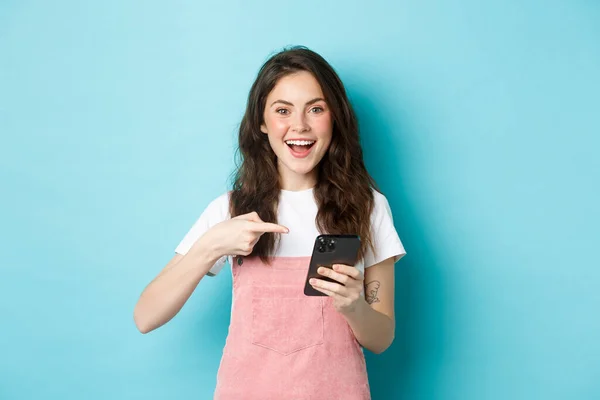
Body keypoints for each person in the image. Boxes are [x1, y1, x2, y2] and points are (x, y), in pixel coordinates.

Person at [133, 45, 407, 400]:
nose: (300, 126)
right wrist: (211, 247)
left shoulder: (369, 207)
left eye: (316, 109)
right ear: (261, 123)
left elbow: (382, 338)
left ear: (335, 117)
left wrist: (353, 306)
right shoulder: (230, 210)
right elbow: (146, 316)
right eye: (283, 110)